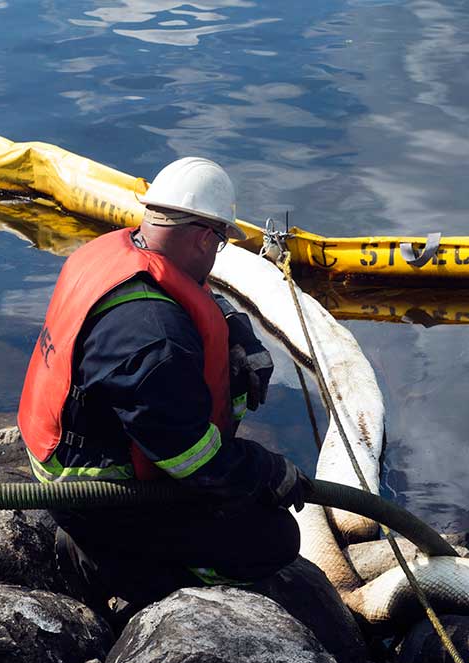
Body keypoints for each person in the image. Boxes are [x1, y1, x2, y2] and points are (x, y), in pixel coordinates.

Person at [17, 156, 312, 620]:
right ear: (203, 237)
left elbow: (187, 291)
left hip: (68, 449)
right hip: (95, 494)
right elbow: (189, 459)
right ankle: (142, 587)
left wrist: (236, 329)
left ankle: (111, 552)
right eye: (219, 243)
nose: (218, 256)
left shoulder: (114, 256)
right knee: (273, 541)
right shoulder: (155, 338)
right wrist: (265, 471)